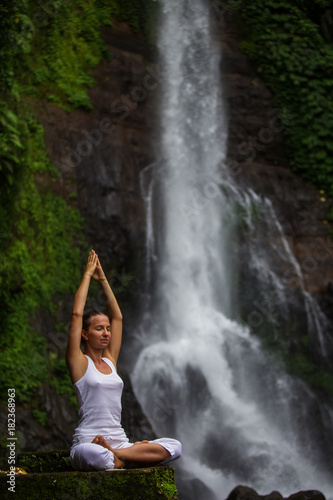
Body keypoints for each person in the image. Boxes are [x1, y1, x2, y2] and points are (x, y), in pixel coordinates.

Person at [66, 249, 182, 471]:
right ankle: (126, 456)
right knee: (96, 456)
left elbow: (117, 317)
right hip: (90, 441)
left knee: (175, 447)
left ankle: (118, 454)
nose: (106, 333)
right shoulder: (79, 363)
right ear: (84, 334)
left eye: (107, 329)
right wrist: (88, 276)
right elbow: (76, 315)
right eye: (99, 328)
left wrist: (103, 279)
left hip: (119, 440)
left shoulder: (110, 360)